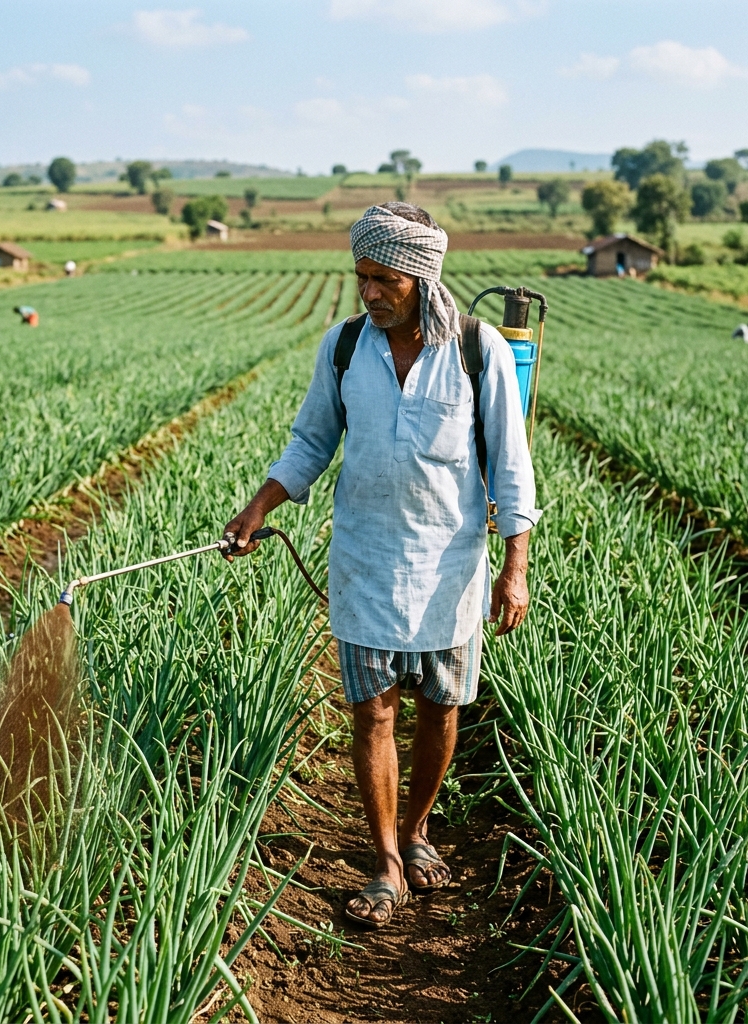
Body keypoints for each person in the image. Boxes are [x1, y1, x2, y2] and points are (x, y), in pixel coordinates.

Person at [223, 203, 542, 930]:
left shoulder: (476, 349)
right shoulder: (343, 349)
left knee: (440, 709)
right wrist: (259, 506)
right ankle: (389, 863)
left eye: (384, 279)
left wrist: (514, 567)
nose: (369, 292)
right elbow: (310, 443)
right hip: (364, 560)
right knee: (372, 713)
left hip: (451, 565)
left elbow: (512, 466)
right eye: (361, 276)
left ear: (422, 277)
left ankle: (419, 827)